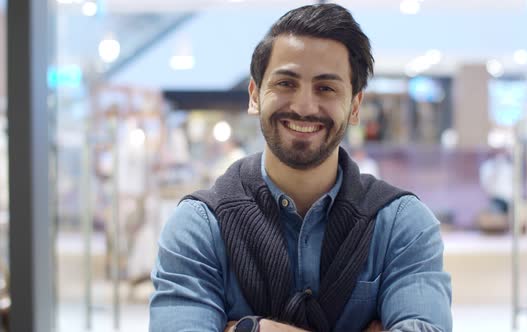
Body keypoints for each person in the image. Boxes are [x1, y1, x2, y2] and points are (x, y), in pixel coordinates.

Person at [150, 4, 452, 332]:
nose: (304, 106)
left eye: (326, 88)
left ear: (354, 106)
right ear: (255, 95)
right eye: (286, 83)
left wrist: (245, 329)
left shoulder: (401, 225)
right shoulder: (199, 227)